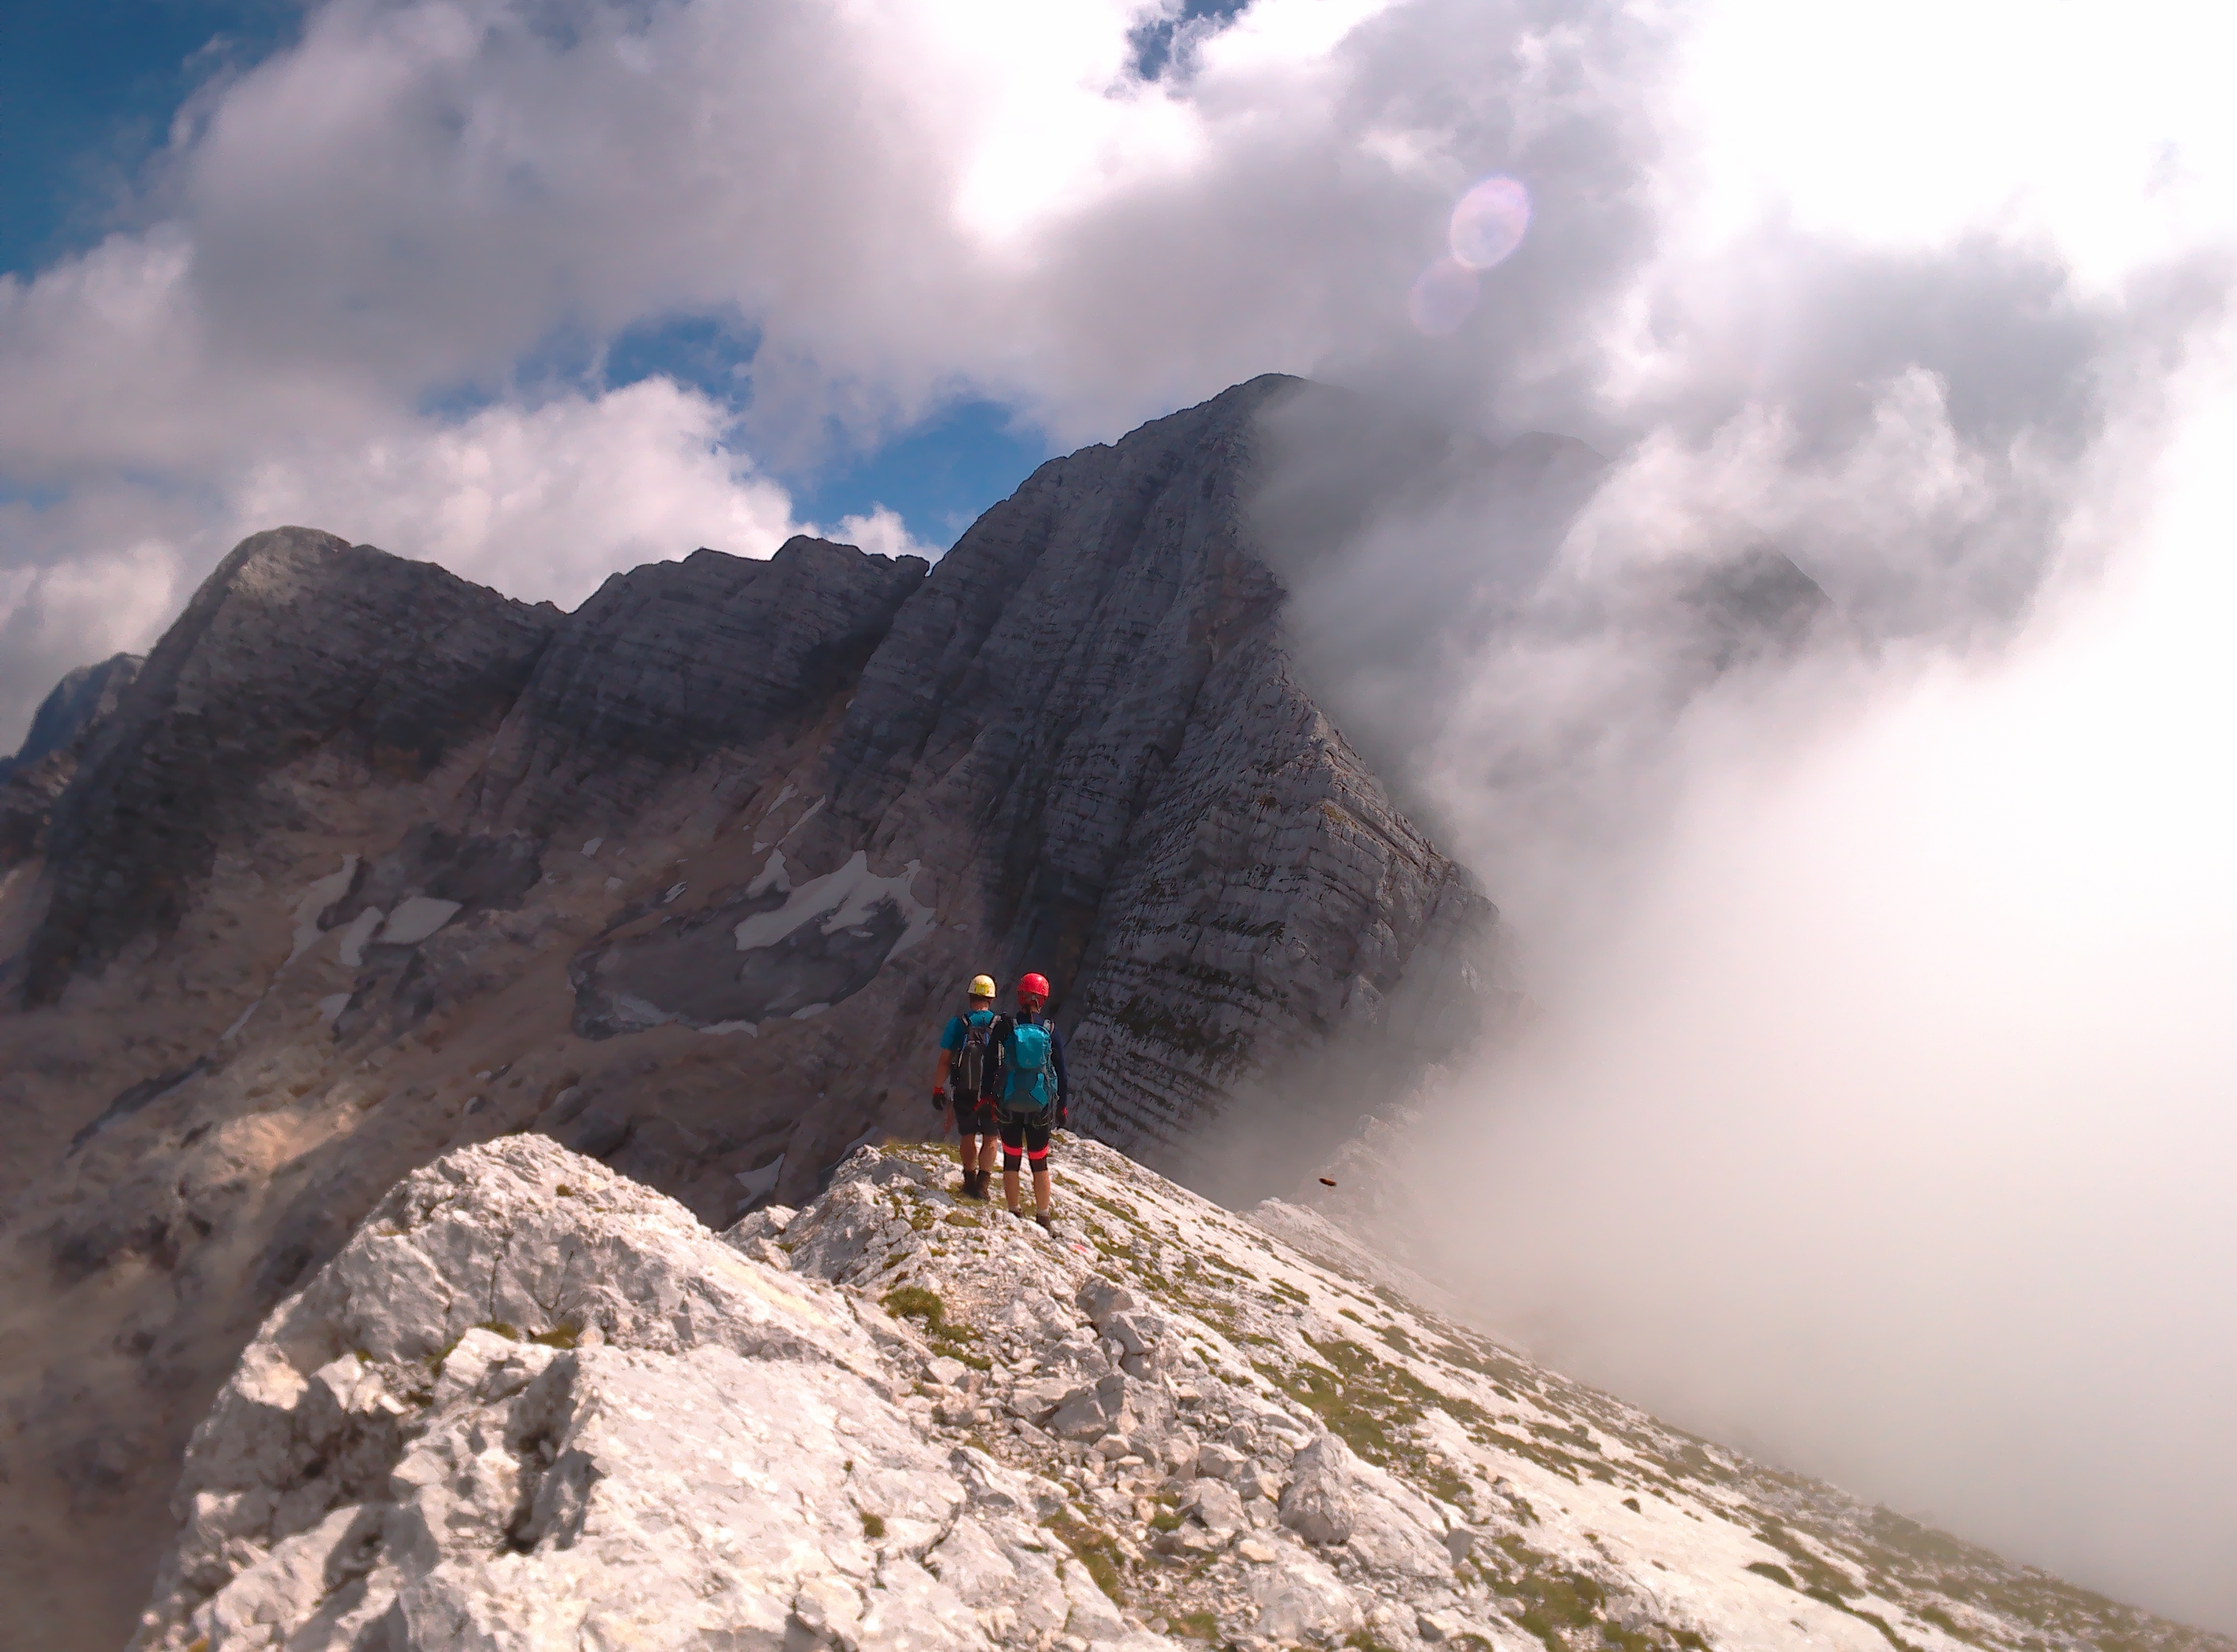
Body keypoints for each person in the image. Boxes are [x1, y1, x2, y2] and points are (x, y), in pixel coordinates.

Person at [994, 971, 1068, 1230]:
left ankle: (1014, 1211)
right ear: (1043, 998)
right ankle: (1043, 1215)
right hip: (1041, 1104)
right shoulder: (1050, 1030)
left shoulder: (1006, 1026)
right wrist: (1062, 1105)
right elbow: (1061, 1070)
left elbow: (992, 1064)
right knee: (1039, 1159)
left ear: (1020, 996)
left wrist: (989, 1097)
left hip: (1010, 1102)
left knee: (1012, 1157)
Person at [935, 974, 1002, 1199]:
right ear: (991, 998)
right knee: (991, 1137)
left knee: (968, 1134)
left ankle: (969, 1180)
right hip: (993, 1093)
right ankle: (983, 1185)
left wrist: (938, 1089)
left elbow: (945, 1059)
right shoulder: (1001, 1025)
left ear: (970, 996)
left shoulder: (959, 1024)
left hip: (965, 1090)